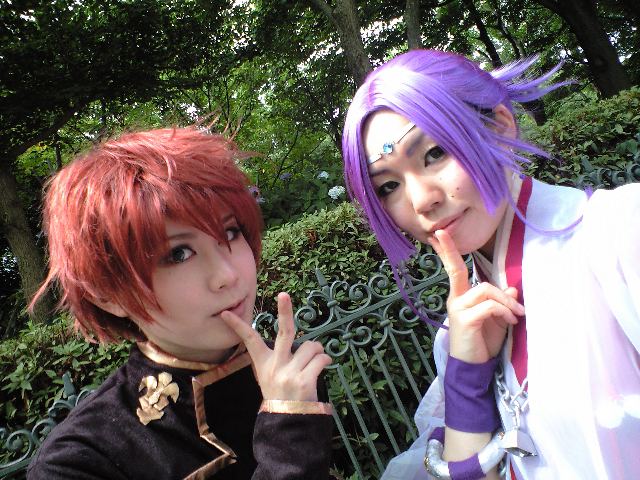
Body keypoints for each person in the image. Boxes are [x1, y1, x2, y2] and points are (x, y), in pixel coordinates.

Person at [341, 49, 640, 479]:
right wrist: (467, 379)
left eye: (434, 153)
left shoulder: (618, 235)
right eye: (388, 186)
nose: (422, 200)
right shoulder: (458, 336)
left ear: (499, 125)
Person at [27, 127, 334, 479]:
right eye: (179, 253)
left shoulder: (289, 373)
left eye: (230, 232)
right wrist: (290, 433)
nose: (227, 275)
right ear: (107, 295)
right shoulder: (79, 462)